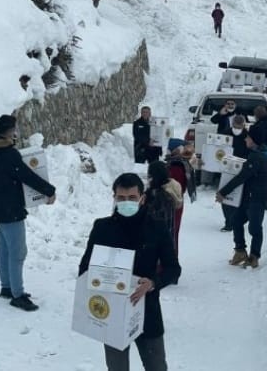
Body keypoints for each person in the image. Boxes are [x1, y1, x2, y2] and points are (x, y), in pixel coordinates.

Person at [78, 172, 181, 371]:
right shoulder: (102, 228)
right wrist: (98, 283)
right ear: (114, 198)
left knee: (157, 366)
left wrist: (152, 283)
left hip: (147, 311)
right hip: (111, 312)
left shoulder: (157, 227)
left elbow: (173, 269)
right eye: (121, 198)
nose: (126, 202)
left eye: (132, 198)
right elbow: (85, 268)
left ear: (142, 198)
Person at [0, 114, 56, 311]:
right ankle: (18, 294)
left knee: (4, 248)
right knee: (17, 252)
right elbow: (27, 176)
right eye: (15, 130)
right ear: (11, 131)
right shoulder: (9, 154)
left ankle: (7, 287)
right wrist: (49, 191)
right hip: (11, 209)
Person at [215, 121, 267, 269]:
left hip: (257, 199)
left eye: (247, 138)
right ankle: (240, 251)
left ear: (253, 140)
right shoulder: (254, 154)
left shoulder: (258, 157)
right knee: (236, 221)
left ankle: (254, 256)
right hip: (248, 197)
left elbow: (242, 176)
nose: (245, 139)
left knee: (254, 228)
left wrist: (223, 192)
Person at [165, 138, 196, 253]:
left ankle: (169, 261)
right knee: (173, 231)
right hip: (177, 203)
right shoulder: (179, 165)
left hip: (172, 203)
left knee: (170, 231)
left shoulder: (175, 166)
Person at [145, 161, 183, 254]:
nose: (148, 179)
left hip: (155, 248)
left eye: (149, 176)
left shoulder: (160, 197)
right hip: (169, 240)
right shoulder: (173, 189)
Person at [219, 115, 249, 232]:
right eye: (236, 126)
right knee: (225, 195)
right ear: (232, 124)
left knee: (240, 197)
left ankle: (237, 220)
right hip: (226, 169)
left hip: (242, 169)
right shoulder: (226, 134)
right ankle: (228, 222)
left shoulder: (247, 136)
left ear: (243, 125)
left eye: (240, 126)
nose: (237, 128)